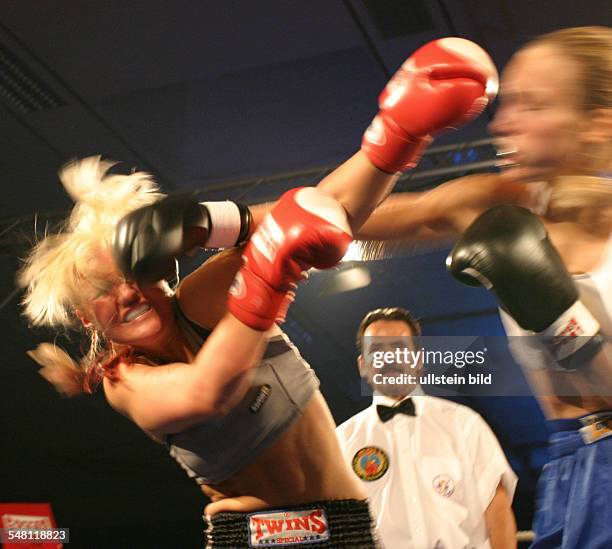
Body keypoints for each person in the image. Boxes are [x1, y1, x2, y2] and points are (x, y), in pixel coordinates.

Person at [18, 39, 497, 548]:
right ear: (86, 319)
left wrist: (397, 135)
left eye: (133, 274)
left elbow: (324, 209)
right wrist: (273, 269)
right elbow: (208, 390)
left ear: (160, 270)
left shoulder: (199, 302)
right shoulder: (126, 381)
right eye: (104, 291)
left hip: (351, 533)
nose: (127, 293)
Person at [352, 26, 612, 547]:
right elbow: (341, 219)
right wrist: (221, 223)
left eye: (531, 105)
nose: (504, 121)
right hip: (569, 465)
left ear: (596, 125)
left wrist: (555, 308)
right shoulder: (500, 203)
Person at [336, 307, 517, 548]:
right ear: (362, 365)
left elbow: (498, 510)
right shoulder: (341, 440)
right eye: (377, 350)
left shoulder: (463, 423)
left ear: (418, 360)